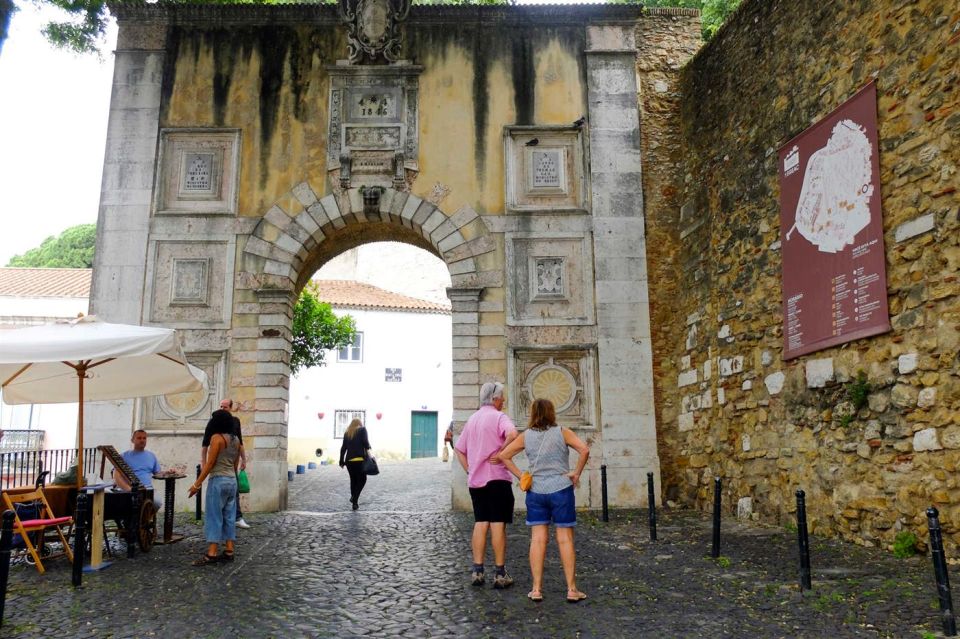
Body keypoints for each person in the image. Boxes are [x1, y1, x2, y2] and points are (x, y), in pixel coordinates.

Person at [498, 398, 590, 603]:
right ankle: (572, 589)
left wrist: (522, 475)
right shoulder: (563, 432)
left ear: (532, 413)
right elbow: (584, 449)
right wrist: (576, 473)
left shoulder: (526, 436)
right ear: (552, 412)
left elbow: (504, 455)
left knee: (538, 540)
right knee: (565, 539)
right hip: (561, 490)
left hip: (536, 492)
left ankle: (537, 589)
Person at [454, 381, 518, 589]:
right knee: (498, 523)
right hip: (497, 478)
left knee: (481, 522)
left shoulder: (472, 420)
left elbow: (459, 449)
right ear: (494, 399)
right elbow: (513, 434)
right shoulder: (500, 417)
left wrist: (470, 469)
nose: (503, 401)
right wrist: (502, 453)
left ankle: (477, 570)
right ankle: (500, 573)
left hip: (476, 480)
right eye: (501, 398)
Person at [188, 407, 241, 565]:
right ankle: (229, 550)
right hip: (232, 481)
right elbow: (235, 463)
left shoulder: (216, 438)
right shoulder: (236, 440)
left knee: (214, 516)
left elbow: (210, 463)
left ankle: (212, 553)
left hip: (218, 480)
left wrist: (196, 484)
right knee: (229, 517)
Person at [203, 398, 249, 529]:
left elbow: (240, 442)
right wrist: (204, 462)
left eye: (225, 407)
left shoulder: (235, 422)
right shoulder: (214, 421)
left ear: (231, 408)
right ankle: (219, 520)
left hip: (230, 462)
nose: (222, 409)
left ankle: (237, 517)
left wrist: (243, 459)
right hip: (217, 464)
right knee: (217, 494)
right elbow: (205, 443)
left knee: (234, 492)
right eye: (221, 407)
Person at [114, 429, 163, 511]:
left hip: (147, 489)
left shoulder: (151, 456)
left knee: (157, 502)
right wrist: (129, 489)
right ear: (132, 440)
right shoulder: (124, 456)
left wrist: (168, 472)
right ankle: (137, 521)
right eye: (139, 438)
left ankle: (144, 521)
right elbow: (116, 475)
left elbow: (157, 473)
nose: (142, 440)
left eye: (144, 438)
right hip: (129, 489)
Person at [339, 418, 371, 510]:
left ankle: (354, 501)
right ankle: (354, 499)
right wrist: (368, 446)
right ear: (359, 424)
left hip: (349, 461)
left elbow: (343, 448)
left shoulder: (347, 433)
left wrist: (341, 461)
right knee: (363, 479)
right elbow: (366, 443)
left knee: (353, 480)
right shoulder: (362, 430)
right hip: (359, 460)